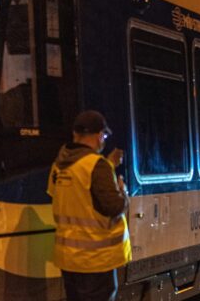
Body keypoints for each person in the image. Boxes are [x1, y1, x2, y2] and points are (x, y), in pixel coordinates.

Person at [47, 110, 131, 301]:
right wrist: (123, 191)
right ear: (99, 135)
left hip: (69, 260)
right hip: (95, 261)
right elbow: (114, 206)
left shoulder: (59, 166)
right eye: (104, 135)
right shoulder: (97, 165)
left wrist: (108, 164)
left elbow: (76, 194)